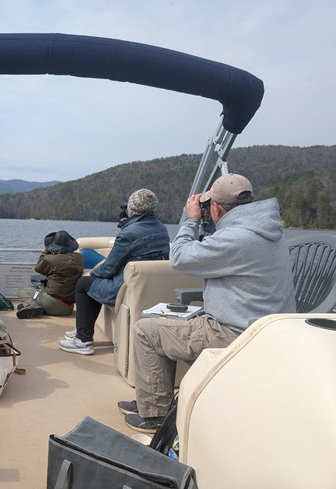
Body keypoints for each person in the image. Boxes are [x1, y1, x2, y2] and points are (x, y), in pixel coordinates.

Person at [118, 173, 296, 433]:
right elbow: (221, 243)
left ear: (217, 207)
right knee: (167, 328)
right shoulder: (267, 231)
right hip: (263, 331)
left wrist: (191, 221)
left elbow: (179, 257)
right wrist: (209, 222)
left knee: (146, 330)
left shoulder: (236, 240)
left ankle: (155, 415)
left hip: (233, 334)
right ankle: (154, 400)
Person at [58, 189, 170, 355]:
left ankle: (83, 340)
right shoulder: (162, 229)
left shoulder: (129, 234)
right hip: (147, 286)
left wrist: (93, 274)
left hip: (124, 287)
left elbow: (109, 267)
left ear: (132, 208)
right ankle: (84, 331)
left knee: (84, 284)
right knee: (93, 286)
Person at [16, 230, 84, 319]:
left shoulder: (50, 259)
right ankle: (37, 307)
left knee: (22, 291)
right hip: (69, 308)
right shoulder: (79, 258)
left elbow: (38, 268)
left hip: (52, 305)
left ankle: (31, 305)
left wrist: (46, 251)